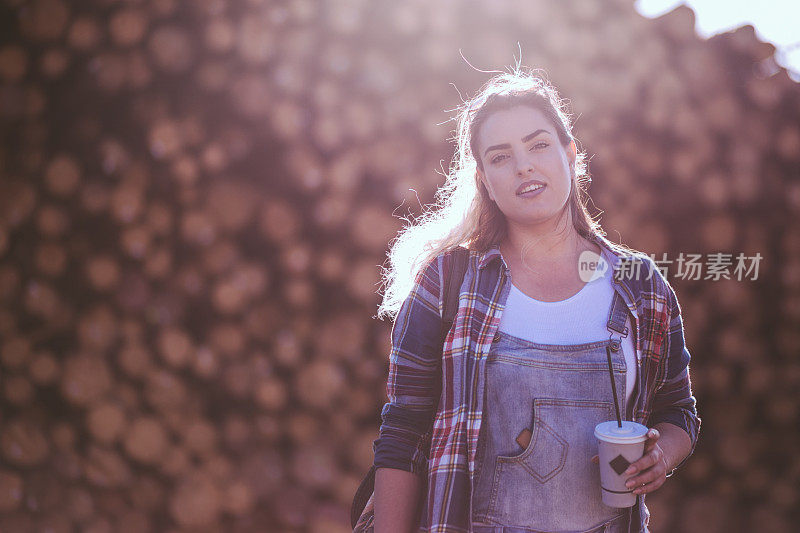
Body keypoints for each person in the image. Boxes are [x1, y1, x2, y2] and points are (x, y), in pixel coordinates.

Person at [370, 67, 701, 533]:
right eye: (501, 157)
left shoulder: (639, 284)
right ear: (484, 180)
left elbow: (677, 411)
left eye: (539, 144)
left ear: (571, 155)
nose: (524, 165)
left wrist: (661, 454)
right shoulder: (448, 282)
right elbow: (402, 432)